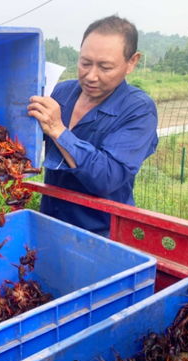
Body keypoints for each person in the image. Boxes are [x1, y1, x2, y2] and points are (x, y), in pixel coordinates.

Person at [27, 15, 158, 236]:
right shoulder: (62, 93)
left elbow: (107, 177)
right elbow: (25, 137)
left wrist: (58, 130)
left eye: (105, 67)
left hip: (100, 232)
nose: (91, 76)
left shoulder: (138, 110)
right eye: (85, 63)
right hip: (51, 219)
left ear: (132, 62)